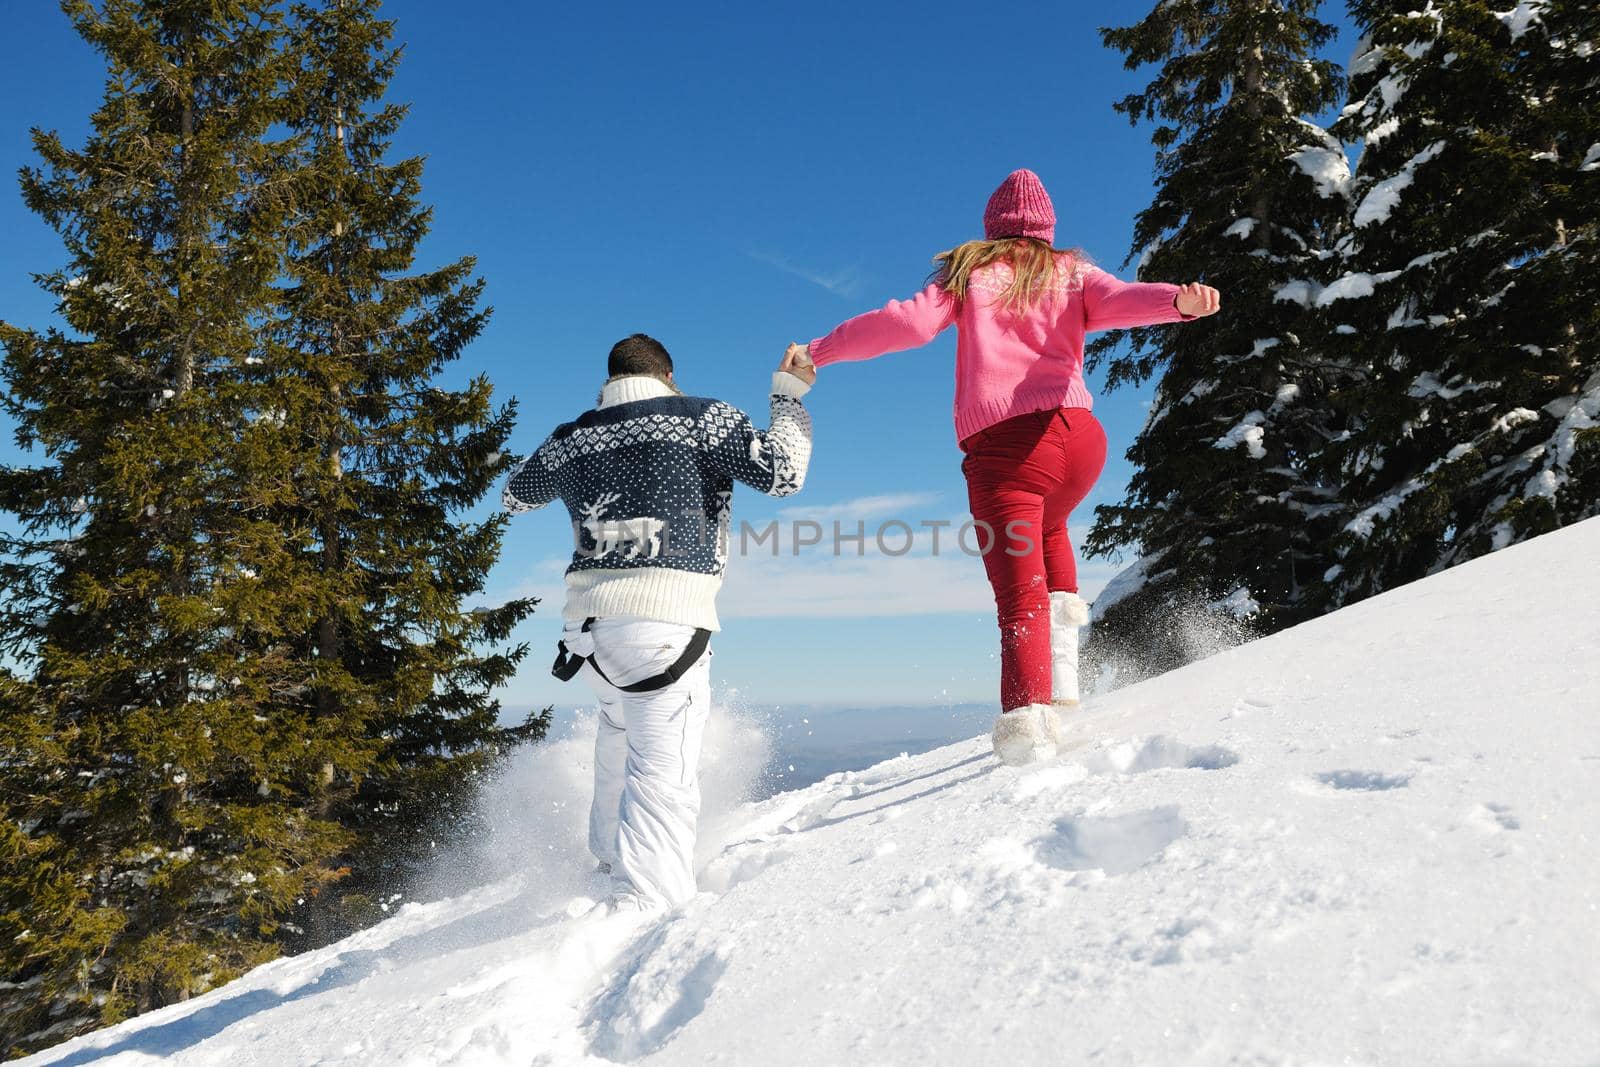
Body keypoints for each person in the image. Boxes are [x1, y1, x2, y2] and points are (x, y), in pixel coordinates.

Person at [791, 169, 1220, 767]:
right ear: (1046, 229)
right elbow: (1122, 300)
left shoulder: (971, 274)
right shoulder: (1072, 273)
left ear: (992, 226)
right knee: (1050, 531)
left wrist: (819, 351)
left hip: (1010, 451)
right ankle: (1064, 682)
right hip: (1080, 442)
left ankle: (1027, 732)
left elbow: (908, 324)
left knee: (1019, 593)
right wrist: (1176, 300)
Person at [502, 333, 815, 910]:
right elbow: (784, 474)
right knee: (661, 772)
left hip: (588, 632)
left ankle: (605, 862)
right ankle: (646, 906)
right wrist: (789, 393)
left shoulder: (571, 437)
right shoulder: (702, 418)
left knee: (619, 736)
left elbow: (515, 496)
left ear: (609, 380)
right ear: (669, 377)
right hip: (663, 622)